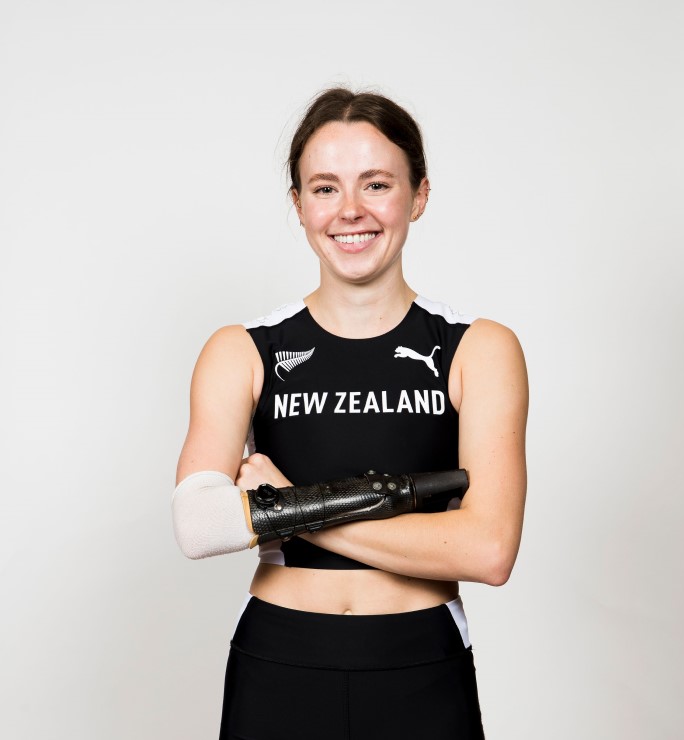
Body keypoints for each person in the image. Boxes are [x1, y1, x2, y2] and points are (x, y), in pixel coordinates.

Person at [172, 87, 528, 740]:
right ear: (299, 205)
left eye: (377, 184)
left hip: (418, 660)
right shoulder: (243, 350)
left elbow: (488, 548)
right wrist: (373, 509)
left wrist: (287, 507)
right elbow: (198, 523)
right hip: (279, 659)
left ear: (419, 194)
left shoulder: (477, 348)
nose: (352, 211)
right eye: (326, 188)